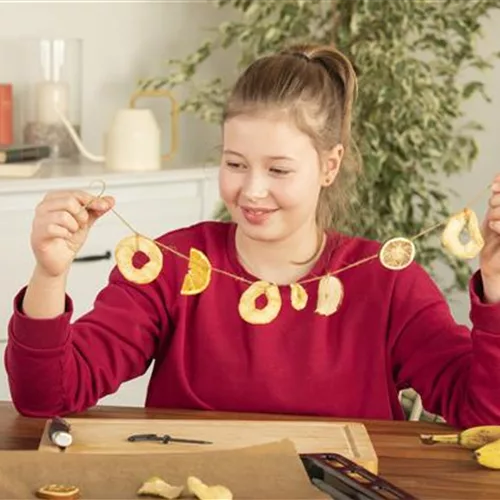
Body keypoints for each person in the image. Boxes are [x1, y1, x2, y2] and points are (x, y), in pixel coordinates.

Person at [5, 43, 500, 430]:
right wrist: (50, 273)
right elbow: (47, 398)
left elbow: (484, 415)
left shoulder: (389, 281)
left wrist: (496, 290)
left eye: (279, 169)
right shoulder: (173, 263)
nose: (252, 191)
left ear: (329, 166)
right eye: (234, 164)